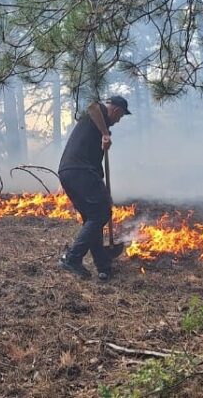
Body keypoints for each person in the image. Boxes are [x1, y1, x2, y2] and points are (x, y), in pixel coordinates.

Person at [57, 96, 131, 281]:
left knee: (93, 219)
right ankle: (72, 258)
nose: (119, 120)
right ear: (115, 110)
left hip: (73, 172)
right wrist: (105, 133)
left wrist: (102, 188)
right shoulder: (97, 113)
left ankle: (103, 266)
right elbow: (91, 106)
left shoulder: (99, 126)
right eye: (120, 116)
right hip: (79, 170)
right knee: (100, 214)